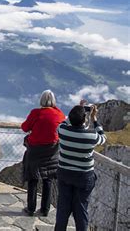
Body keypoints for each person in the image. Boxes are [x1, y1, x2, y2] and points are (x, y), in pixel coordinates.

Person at [55, 101, 106, 231]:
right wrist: (94, 119)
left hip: (64, 174)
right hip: (84, 177)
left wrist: (78, 110)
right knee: (81, 211)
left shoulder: (62, 130)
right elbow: (103, 138)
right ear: (84, 119)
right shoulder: (91, 136)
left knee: (63, 209)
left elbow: (64, 122)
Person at [21, 90, 65, 217]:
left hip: (35, 150)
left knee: (33, 178)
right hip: (51, 151)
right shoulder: (59, 114)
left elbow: (25, 127)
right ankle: (45, 209)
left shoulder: (36, 113)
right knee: (48, 179)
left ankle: (30, 208)